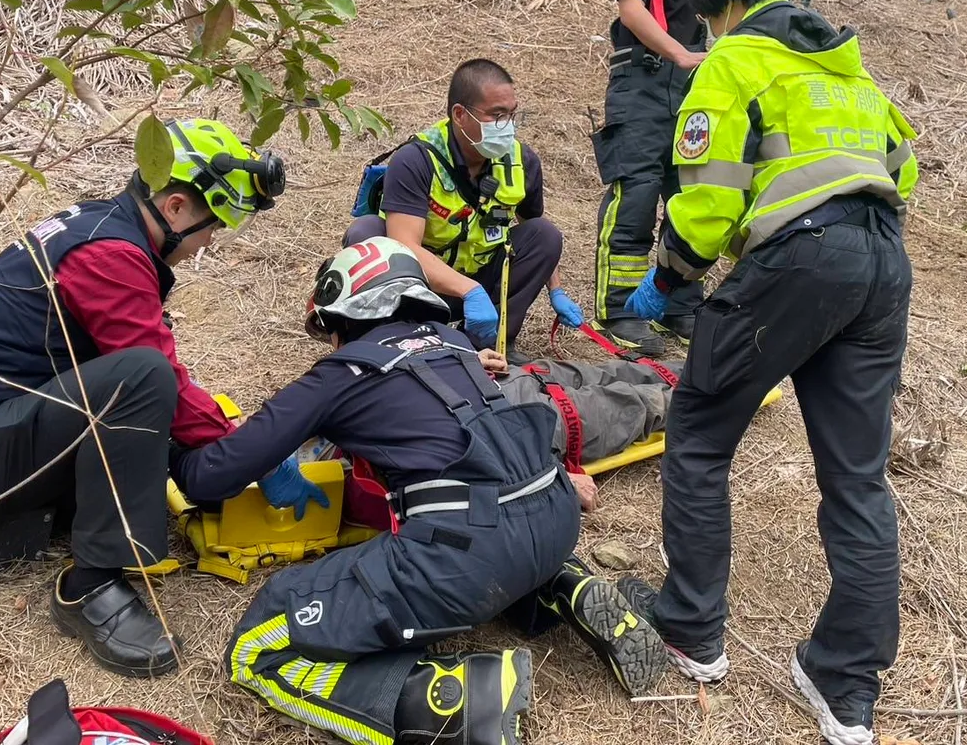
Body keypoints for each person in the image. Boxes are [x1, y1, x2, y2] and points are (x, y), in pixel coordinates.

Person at [613, 0, 920, 745]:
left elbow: (709, 201)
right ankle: (845, 684)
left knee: (699, 434)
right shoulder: (850, 69)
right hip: (883, 266)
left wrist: (668, 278)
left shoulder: (733, 59)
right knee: (857, 478)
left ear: (719, 4)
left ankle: (691, 629)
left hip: (801, 260)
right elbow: (904, 169)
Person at [209, 239, 665, 745]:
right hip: (555, 519)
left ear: (345, 316)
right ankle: (564, 586)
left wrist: (182, 442)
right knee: (494, 534)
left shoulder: (339, 374)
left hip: (470, 556)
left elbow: (215, 474)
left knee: (256, 647)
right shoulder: (456, 343)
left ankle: (456, 701)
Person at [0, 119, 326, 677]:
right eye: (212, 225)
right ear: (175, 207)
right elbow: (155, 377)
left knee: (143, 384)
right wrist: (254, 455)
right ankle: (90, 586)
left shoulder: (103, 226)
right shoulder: (109, 256)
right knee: (143, 377)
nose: (209, 241)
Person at [591, 0, 736, 357]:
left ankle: (679, 305)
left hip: (698, 89)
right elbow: (631, 8)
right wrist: (679, 54)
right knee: (637, 191)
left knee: (689, 194)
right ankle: (621, 309)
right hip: (643, 82)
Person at [345, 59, 584, 360]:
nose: (508, 127)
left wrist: (556, 290)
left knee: (544, 235)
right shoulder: (416, 160)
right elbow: (404, 245)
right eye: (497, 115)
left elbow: (534, 228)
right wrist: (469, 290)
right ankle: (394, 339)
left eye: (512, 115)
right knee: (366, 233)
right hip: (421, 287)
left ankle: (490, 344)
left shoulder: (522, 161)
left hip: (481, 285)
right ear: (460, 114)